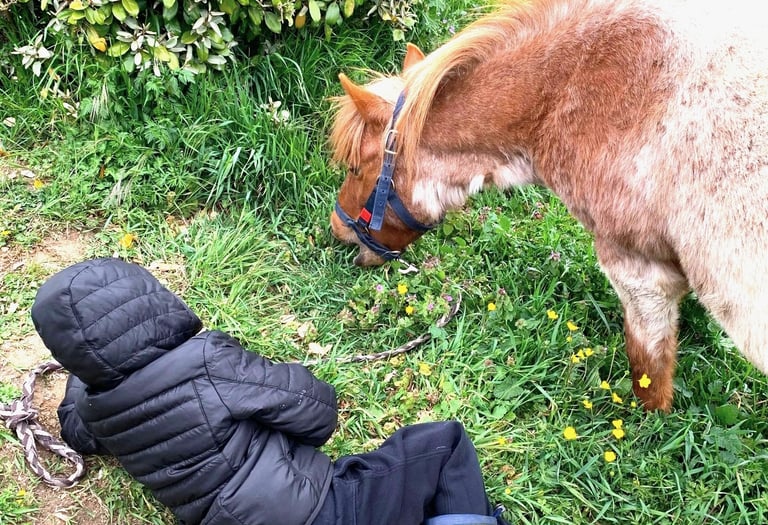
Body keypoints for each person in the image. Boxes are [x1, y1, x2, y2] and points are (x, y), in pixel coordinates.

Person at [31, 258, 508, 525]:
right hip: (316, 511)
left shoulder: (97, 412)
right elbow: (319, 415)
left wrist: (91, 375)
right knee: (441, 445)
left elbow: (74, 428)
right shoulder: (207, 363)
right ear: (155, 301)